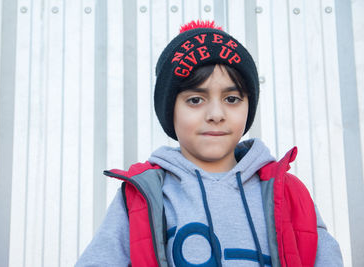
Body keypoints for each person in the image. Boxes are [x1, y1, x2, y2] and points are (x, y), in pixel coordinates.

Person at [76, 20, 343, 267]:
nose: (216, 114)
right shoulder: (144, 196)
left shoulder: (287, 192)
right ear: (170, 110)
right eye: (195, 100)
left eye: (232, 99)